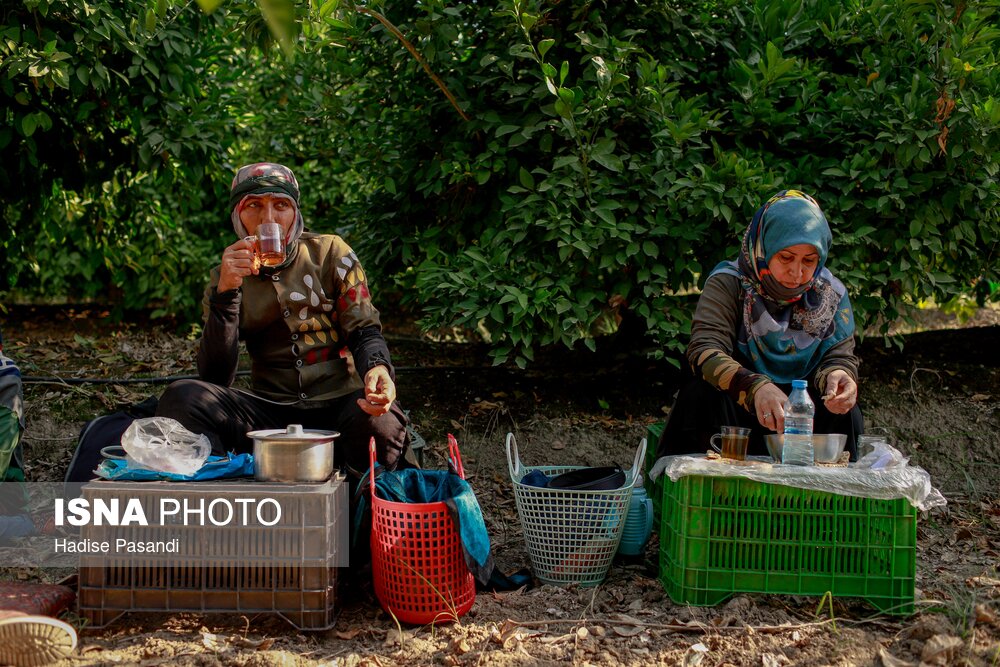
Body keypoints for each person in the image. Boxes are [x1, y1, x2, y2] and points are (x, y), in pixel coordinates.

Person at [156, 162, 413, 479]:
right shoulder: (225, 275)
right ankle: (229, 495)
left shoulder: (331, 253)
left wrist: (377, 368)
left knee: (382, 422)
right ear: (238, 216)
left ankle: (357, 506)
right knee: (183, 398)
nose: (269, 220)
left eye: (281, 206)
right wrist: (226, 294)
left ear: (296, 214)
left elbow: (364, 332)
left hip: (341, 406)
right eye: (254, 206)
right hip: (269, 414)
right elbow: (215, 376)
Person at [657, 189, 863, 460]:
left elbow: (838, 357)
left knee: (846, 411)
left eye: (809, 261)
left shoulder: (830, 294)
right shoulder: (729, 284)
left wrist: (839, 378)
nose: (797, 272)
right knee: (702, 393)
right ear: (763, 248)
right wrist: (755, 388)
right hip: (736, 415)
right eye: (786, 258)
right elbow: (704, 351)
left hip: (799, 423)